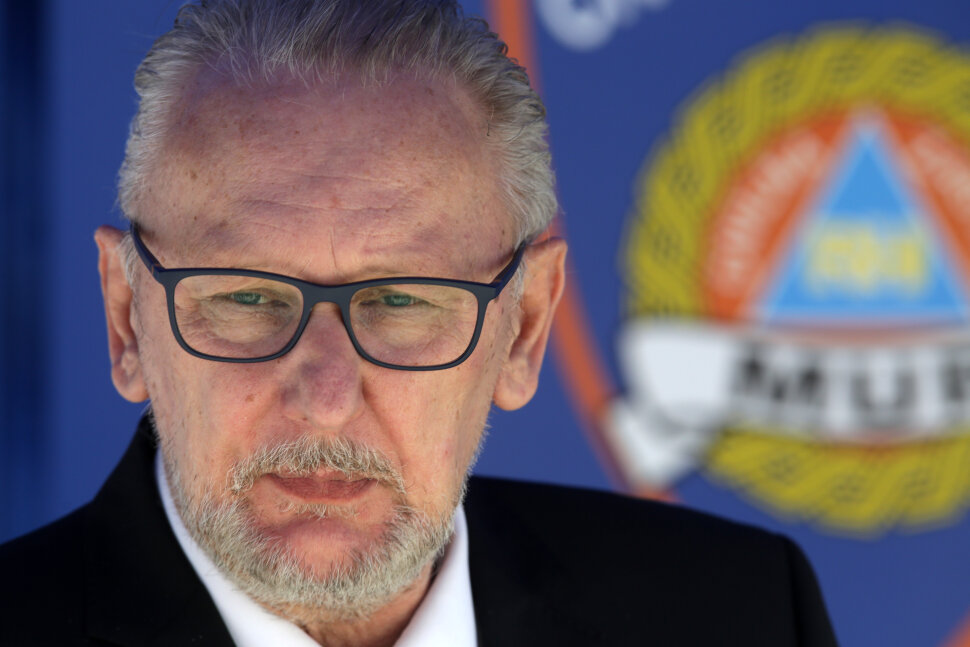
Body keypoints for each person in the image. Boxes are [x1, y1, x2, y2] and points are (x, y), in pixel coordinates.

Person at [0, 1, 839, 645]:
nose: (327, 399)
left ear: (524, 329)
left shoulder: (743, 614)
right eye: (248, 299)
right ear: (126, 319)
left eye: (402, 302)